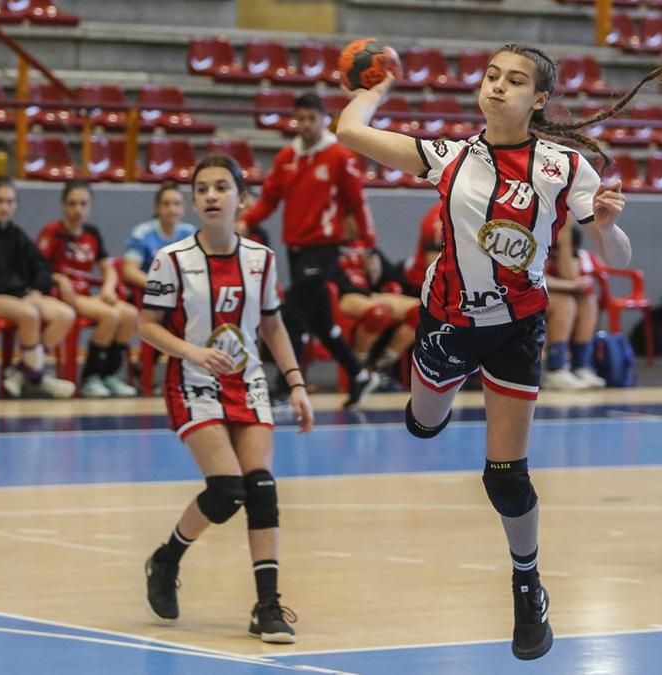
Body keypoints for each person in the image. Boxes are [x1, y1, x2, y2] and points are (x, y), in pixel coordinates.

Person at [337, 44, 657, 660]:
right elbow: (350, 130)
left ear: (539, 99)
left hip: (518, 327)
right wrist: (376, 86)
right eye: (491, 76)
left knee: (505, 478)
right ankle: (434, 398)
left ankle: (527, 582)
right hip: (449, 320)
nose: (498, 87)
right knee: (424, 425)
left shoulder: (565, 168)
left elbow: (618, 258)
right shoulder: (450, 157)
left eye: (515, 81)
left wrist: (606, 225)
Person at [139, 154, 314, 644]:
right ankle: (167, 558)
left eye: (221, 187)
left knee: (261, 488)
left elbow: (274, 326)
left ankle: (267, 606)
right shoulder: (171, 261)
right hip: (192, 383)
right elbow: (146, 326)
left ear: (242, 199)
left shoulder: (261, 260)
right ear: (194, 202)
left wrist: (296, 384)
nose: (211, 196)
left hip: (248, 382)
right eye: (202, 189)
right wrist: (193, 351)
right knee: (226, 490)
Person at [238, 92, 381, 409]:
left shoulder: (339, 157)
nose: (304, 125)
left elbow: (358, 203)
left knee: (291, 314)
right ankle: (358, 375)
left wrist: (369, 247)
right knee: (319, 321)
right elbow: (270, 199)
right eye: (299, 119)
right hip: (296, 247)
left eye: (310, 119)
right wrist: (246, 221)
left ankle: (282, 387)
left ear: (322, 119)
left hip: (325, 246)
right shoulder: (287, 157)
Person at [0, 177, 76, 399]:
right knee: (29, 314)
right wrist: (22, 295)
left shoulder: (16, 234)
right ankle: (40, 377)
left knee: (65, 314)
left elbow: (41, 264)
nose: (4, 206)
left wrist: (36, 290)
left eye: (10, 201)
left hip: (23, 295)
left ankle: (22, 371)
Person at [36, 181, 139, 398]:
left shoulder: (92, 233)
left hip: (86, 293)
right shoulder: (53, 232)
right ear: (64, 205)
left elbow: (107, 267)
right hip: (64, 297)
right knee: (110, 316)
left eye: (83, 204)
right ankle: (91, 378)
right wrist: (58, 279)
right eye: (72, 204)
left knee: (130, 314)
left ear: (90, 206)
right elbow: (36, 266)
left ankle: (109, 375)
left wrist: (109, 288)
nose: (78, 210)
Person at [335, 239, 419, 386]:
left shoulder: (365, 247)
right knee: (377, 313)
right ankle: (358, 370)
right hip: (345, 295)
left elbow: (393, 276)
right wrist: (368, 294)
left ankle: (381, 366)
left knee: (421, 312)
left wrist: (376, 268)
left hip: (372, 295)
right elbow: (328, 279)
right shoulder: (328, 248)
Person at [543, 226, 606, 389]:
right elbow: (537, 280)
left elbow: (570, 275)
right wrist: (569, 285)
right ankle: (555, 369)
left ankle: (581, 366)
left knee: (587, 302)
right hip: (526, 303)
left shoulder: (582, 257)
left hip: (554, 301)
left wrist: (565, 239)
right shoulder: (538, 250)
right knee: (565, 303)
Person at [121, 183, 197, 292]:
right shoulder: (142, 233)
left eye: (177, 204)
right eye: (166, 204)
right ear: (156, 208)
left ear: (183, 208)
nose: (172, 209)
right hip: (152, 293)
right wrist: (161, 288)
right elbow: (129, 272)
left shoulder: (191, 233)